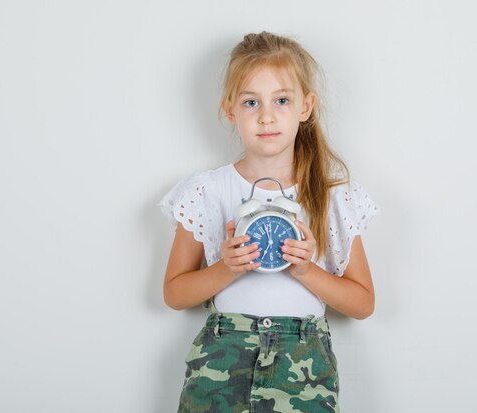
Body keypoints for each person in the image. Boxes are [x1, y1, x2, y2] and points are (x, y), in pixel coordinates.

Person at [158, 31, 380, 413]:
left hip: (304, 367)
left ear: (305, 107)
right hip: (221, 361)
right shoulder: (209, 191)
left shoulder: (332, 197)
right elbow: (175, 294)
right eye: (250, 102)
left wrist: (307, 270)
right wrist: (226, 269)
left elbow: (362, 304)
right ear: (230, 110)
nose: (266, 115)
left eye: (281, 100)